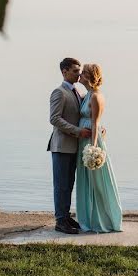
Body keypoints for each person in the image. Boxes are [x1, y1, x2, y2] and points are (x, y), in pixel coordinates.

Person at [75, 63, 123, 232]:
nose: (79, 75)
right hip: (84, 140)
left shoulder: (96, 96)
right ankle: (88, 218)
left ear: (88, 76)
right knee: (86, 182)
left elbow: (95, 123)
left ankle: (104, 220)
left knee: (97, 182)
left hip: (91, 141)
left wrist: (93, 149)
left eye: (82, 73)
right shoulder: (87, 94)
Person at [48, 57, 92, 234]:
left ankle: (65, 216)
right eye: (75, 71)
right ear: (64, 71)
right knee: (61, 185)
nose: (79, 74)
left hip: (74, 146)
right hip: (62, 146)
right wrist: (77, 131)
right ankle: (60, 221)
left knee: (70, 183)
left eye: (79, 71)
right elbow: (54, 119)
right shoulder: (59, 92)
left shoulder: (78, 92)